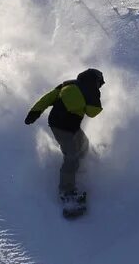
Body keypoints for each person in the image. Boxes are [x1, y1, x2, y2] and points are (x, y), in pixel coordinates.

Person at [24, 68, 105, 202]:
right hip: (62, 128)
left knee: (84, 144)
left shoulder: (67, 84)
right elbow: (93, 112)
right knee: (71, 155)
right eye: (99, 83)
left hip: (66, 125)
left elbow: (47, 98)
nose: (99, 86)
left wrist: (35, 112)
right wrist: (95, 96)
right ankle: (66, 191)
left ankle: (81, 167)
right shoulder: (91, 92)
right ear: (94, 81)